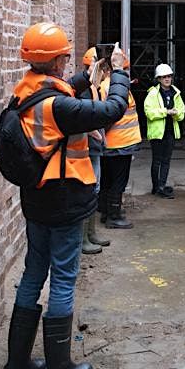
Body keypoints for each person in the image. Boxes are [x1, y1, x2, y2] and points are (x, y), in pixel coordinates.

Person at [3, 23, 129, 369]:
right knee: (62, 278)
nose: (66, 59)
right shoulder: (59, 106)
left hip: (36, 199)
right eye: (64, 56)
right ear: (56, 60)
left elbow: (58, 95)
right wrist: (119, 72)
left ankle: (18, 362)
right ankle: (59, 368)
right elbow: (112, 109)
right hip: (65, 200)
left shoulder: (24, 91)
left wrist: (87, 77)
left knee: (32, 274)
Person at [99, 55, 142, 229]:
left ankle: (106, 211)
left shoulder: (105, 86)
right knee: (118, 181)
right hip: (119, 143)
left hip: (113, 143)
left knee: (108, 180)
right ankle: (114, 216)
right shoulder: (113, 87)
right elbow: (108, 115)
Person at [77, 47, 112, 255]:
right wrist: (95, 133)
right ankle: (83, 239)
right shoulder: (85, 89)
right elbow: (83, 115)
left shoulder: (94, 88)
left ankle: (90, 233)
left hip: (95, 148)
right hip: (88, 149)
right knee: (89, 190)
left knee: (95, 189)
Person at [144, 63, 185, 198]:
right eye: (164, 77)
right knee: (157, 160)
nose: (167, 79)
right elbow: (149, 112)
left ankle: (161, 186)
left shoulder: (176, 93)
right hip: (157, 133)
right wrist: (165, 112)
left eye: (169, 76)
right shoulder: (153, 94)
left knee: (166, 160)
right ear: (159, 79)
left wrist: (175, 114)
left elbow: (182, 113)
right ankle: (156, 187)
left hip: (170, 132)